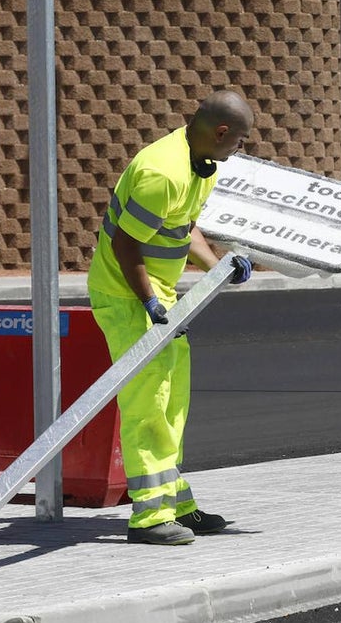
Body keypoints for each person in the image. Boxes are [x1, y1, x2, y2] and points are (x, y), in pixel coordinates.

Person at [87, 90, 255, 545]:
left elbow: (184, 227)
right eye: (239, 141)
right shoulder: (163, 172)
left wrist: (218, 265)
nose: (240, 150)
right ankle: (149, 518)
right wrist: (149, 302)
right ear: (220, 133)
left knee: (172, 399)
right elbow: (126, 243)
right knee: (148, 404)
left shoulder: (200, 165)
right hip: (128, 297)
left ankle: (175, 503)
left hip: (159, 296)